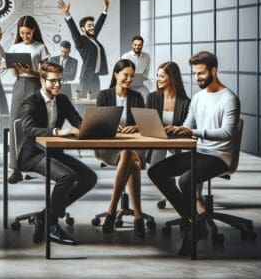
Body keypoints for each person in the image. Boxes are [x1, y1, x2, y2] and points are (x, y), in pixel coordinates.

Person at [148, 51, 240, 255]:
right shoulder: (198, 98)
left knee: (184, 180)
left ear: (213, 71)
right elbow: (188, 125)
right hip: (198, 152)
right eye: (195, 74)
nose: (197, 77)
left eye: (201, 73)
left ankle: (192, 229)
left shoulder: (229, 99)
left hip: (219, 157)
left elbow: (226, 133)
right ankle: (195, 222)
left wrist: (193, 132)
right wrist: (177, 129)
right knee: (155, 172)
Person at [18, 61, 97, 245]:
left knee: (89, 177)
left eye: (60, 81)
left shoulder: (62, 99)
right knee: (66, 177)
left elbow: (77, 120)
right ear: (42, 80)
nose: (57, 85)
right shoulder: (30, 102)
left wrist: (91, 126)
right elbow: (29, 130)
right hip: (33, 155)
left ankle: (43, 217)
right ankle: (51, 226)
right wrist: (57, 132)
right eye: (53, 81)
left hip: (54, 152)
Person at [94, 59, 147, 238]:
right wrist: (110, 125)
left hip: (133, 144)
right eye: (125, 75)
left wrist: (137, 127)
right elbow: (96, 123)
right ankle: (138, 217)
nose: (129, 79)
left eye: (132, 76)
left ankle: (111, 211)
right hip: (109, 146)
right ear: (116, 74)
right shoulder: (104, 95)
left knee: (129, 154)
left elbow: (145, 124)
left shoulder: (137, 97)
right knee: (132, 161)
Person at [6, 16, 49, 184]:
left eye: (29, 33)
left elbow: (46, 74)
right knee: (15, 124)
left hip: (35, 86)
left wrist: (32, 71)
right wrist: (16, 70)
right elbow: (13, 74)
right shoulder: (14, 47)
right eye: (22, 33)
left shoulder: (40, 47)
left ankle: (36, 165)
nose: (25, 36)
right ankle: (15, 169)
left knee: (34, 126)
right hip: (19, 85)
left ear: (34, 31)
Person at [57, 0, 110, 97]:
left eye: (92, 25)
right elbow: (73, 30)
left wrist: (105, 10)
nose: (92, 27)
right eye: (89, 26)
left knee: (95, 104)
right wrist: (67, 14)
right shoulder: (81, 41)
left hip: (95, 77)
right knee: (85, 104)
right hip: (86, 78)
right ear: (82, 29)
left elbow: (99, 25)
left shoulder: (93, 38)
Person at [147, 61, 191, 165]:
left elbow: (187, 128)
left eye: (161, 76)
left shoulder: (185, 102)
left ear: (172, 78)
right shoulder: (151, 98)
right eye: (157, 75)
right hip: (157, 140)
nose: (157, 79)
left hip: (177, 141)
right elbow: (147, 124)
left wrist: (174, 130)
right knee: (155, 168)